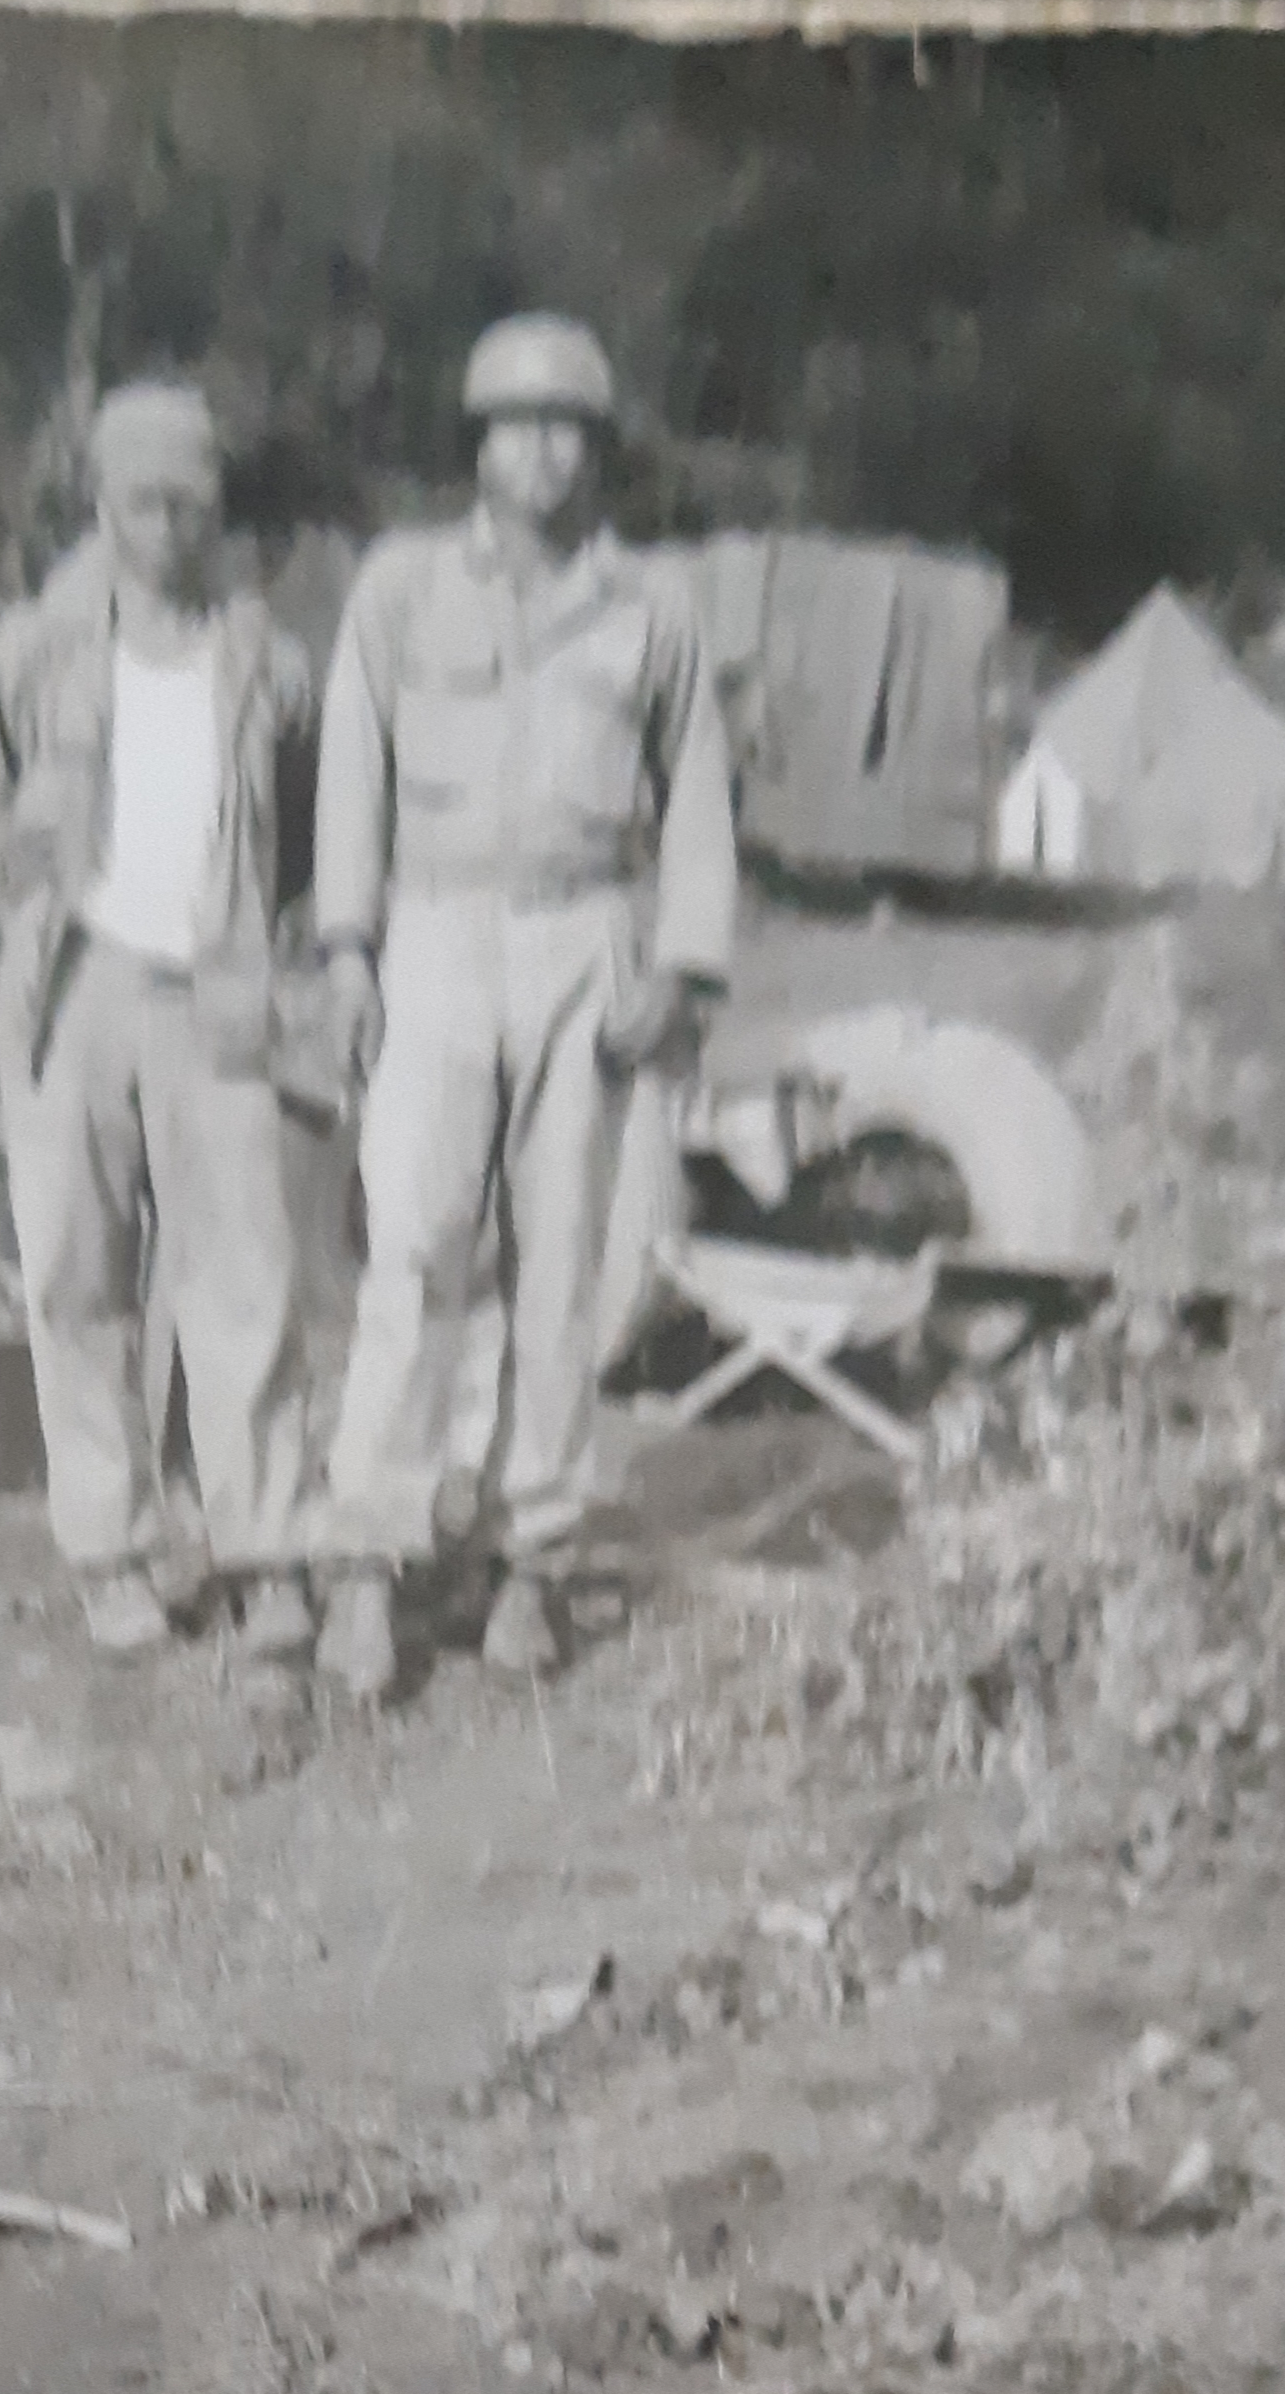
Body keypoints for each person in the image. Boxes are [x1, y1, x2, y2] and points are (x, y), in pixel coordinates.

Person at [309, 314, 739, 1699]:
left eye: (566, 428)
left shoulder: (649, 606)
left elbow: (697, 796)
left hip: (582, 936)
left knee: (563, 1262)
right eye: (514, 424)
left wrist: (681, 967)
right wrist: (345, 950)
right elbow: (352, 770)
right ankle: (368, 1561)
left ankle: (530, 1559)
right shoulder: (400, 589)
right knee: (413, 1245)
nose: (540, 452)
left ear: (596, 451)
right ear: (475, 443)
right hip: (434, 929)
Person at [0, 380, 320, 1660]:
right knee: (77, 1277)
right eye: (142, 502)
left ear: (216, 511)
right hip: (74, 992)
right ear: (101, 504)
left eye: (189, 504)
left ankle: (266, 1549)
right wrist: (18, 882)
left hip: (214, 989)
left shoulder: (265, 661)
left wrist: (254, 926)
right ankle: (111, 1551)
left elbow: (301, 818)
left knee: (245, 1278)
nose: (166, 527)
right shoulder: (34, 652)